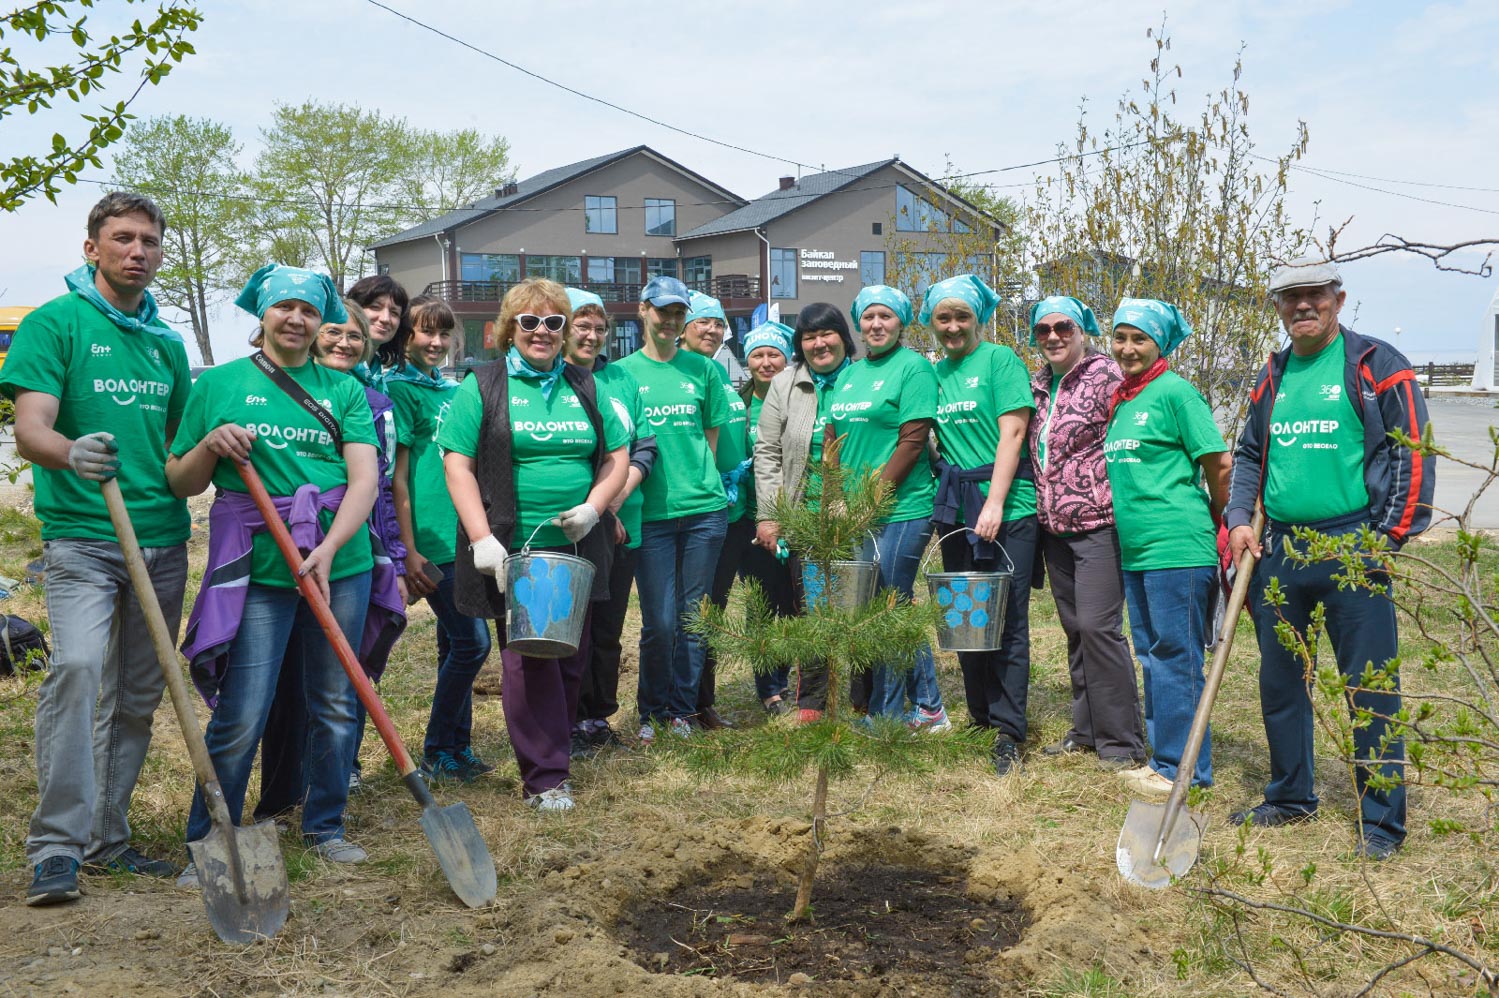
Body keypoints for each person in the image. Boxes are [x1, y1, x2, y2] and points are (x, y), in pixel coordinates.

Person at [5, 192, 191, 905]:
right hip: (83, 537)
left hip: (163, 540)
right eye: (122, 238)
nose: (136, 251)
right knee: (79, 669)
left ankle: (106, 838)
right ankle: (55, 847)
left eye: (148, 240)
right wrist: (69, 451)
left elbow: (176, 448)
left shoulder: (168, 344)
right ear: (92, 247)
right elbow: (31, 428)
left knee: (138, 695)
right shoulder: (56, 324)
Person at [169, 263, 384, 881]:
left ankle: (324, 826)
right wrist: (211, 444)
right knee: (243, 708)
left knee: (338, 700)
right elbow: (181, 480)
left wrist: (329, 548)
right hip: (259, 570)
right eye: (284, 307)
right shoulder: (219, 385)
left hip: (339, 564)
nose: (296, 319)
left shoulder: (343, 390)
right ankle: (212, 838)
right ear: (262, 314)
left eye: (309, 311)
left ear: (323, 323)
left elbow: (365, 480)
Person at [1225, 258, 1433, 860]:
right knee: (1282, 680)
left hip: (1353, 547)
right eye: (1290, 298)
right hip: (1282, 549)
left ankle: (1383, 824)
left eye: (1314, 294)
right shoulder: (1274, 372)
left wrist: (1388, 536)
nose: (1302, 306)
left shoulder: (1376, 365)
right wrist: (1239, 521)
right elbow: (1246, 455)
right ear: (1278, 307)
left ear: (1338, 299)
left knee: (1370, 687)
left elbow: (1411, 452)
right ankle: (1290, 797)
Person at [441, 278, 628, 811]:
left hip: (577, 547)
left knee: (570, 654)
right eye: (529, 322)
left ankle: (555, 749)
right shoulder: (482, 386)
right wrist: (481, 539)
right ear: (508, 329)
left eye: (552, 323)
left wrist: (595, 507)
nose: (541, 332)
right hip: (514, 548)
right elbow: (458, 464)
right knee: (528, 656)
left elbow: (617, 454)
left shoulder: (586, 385)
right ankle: (544, 777)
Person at [253, 303, 408, 821]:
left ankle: (330, 795)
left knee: (339, 677)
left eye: (355, 337)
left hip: (351, 553)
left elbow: (381, 489)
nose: (344, 343)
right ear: (315, 336)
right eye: (334, 333)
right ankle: (279, 796)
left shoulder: (374, 402)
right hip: (278, 552)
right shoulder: (268, 387)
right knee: (279, 684)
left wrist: (395, 559)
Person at [1104, 299, 1229, 795]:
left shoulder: (1177, 393)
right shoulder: (1127, 398)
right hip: (1137, 550)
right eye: (1121, 337)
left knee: (1176, 655)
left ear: (1160, 344)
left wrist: (1223, 524)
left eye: (1140, 339)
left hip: (1178, 547)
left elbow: (1218, 465)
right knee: (1153, 655)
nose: (1128, 348)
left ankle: (1185, 769)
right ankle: (1164, 758)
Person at [924, 275, 1037, 775]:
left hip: (1007, 507)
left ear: (979, 319)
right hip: (956, 507)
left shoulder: (999, 361)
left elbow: (1013, 432)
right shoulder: (934, 373)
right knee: (965, 617)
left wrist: (993, 504)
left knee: (1007, 621)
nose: (952, 327)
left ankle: (1010, 730)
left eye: (961, 317)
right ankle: (980, 714)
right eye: (943, 318)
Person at [1029, 295, 1145, 770]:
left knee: (1099, 629)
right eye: (1043, 330)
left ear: (1082, 332)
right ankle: (1087, 729)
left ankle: (1122, 742)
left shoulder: (1106, 378)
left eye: (1063, 328)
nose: (1053, 337)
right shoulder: (1038, 385)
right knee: (1076, 631)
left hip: (1099, 525)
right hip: (1054, 528)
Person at [617, 276, 730, 742]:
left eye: (679, 312)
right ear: (643, 310)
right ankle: (652, 710)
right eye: (663, 311)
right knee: (659, 621)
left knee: (694, 616)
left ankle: (682, 709)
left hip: (704, 510)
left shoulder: (703, 370)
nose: (670, 320)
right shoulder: (622, 373)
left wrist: (698, 481)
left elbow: (709, 438)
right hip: (651, 515)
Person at [386, 296, 494, 783]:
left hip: (467, 532)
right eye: (425, 332)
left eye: (444, 333)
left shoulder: (452, 389)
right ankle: (435, 748)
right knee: (473, 643)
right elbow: (399, 478)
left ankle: (457, 749)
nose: (436, 342)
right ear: (405, 337)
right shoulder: (398, 391)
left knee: (455, 645)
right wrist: (409, 547)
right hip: (432, 537)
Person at [833, 287, 949, 731]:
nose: (876, 324)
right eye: (868, 317)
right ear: (858, 324)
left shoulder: (914, 368)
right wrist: (837, 495)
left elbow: (913, 441)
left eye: (885, 316)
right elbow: (836, 441)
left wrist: (867, 500)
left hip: (902, 507)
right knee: (884, 604)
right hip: (857, 509)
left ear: (901, 323)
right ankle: (927, 706)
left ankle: (892, 711)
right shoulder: (850, 374)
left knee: (890, 603)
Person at [561, 287, 657, 755]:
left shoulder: (621, 381)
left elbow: (644, 447)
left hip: (622, 524)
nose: (593, 335)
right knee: (572, 625)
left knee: (608, 628)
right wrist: (596, 513)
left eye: (600, 328)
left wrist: (612, 507)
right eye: (582, 325)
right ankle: (568, 717)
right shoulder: (550, 380)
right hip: (571, 525)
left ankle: (597, 717)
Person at [753, 306, 853, 721]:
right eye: (809, 337)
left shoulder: (861, 379)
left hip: (858, 513)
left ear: (845, 338)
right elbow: (768, 451)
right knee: (810, 608)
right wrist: (770, 515)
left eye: (827, 333)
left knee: (861, 608)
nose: (818, 343)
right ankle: (813, 703)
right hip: (804, 516)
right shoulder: (786, 384)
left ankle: (868, 700)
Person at [680, 290, 750, 730]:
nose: (712, 330)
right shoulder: (683, 375)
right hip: (698, 510)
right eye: (703, 322)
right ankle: (683, 702)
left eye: (719, 324)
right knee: (693, 611)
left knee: (715, 610)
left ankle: (703, 700)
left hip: (734, 513)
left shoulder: (722, 377)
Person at [740, 320, 797, 713]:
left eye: (772, 354)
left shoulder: (799, 397)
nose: (765, 363)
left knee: (793, 603)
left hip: (794, 518)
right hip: (749, 519)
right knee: (760, 605)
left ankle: (787, 674)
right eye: (757, 355)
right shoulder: (737, 402)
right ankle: (769, 689)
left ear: (786, 357)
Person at [347, 274, 412, 383]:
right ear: (354, 308)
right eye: (375, 307)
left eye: (394, 313)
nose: (386, 319)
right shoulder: (337, 366)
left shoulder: (377, 378)